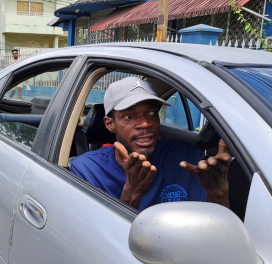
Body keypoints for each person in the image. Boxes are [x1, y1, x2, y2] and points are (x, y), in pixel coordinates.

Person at [70, 77, 231, 211]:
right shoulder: (86, 169)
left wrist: (218, 191)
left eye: (152, 113)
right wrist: (132, 192)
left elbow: (212, 228)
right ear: (110, 124)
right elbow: (99, 241)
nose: (146, 123)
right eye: (129, 116)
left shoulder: (183, 155)